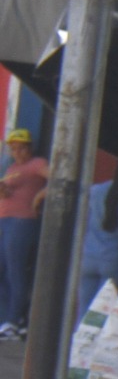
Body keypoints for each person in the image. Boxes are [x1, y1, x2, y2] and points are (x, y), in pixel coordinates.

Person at [76, 161, 118, 321]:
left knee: (84, 312)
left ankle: (79, 343)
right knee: (102, 315)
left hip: (88, 258)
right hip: (114, 261)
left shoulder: (97, 191)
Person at [0, 128, 48, 339]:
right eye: (13, 148)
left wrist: (39, 197)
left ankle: (14, 319)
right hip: (6, 220)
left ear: (29, 148)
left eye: (21, 148)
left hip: (23, 221)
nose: (17, 152)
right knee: (4, 271)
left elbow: (58, 178)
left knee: (16, 270)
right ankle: (8, 318)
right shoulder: (11, 167)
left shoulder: (37, 164)